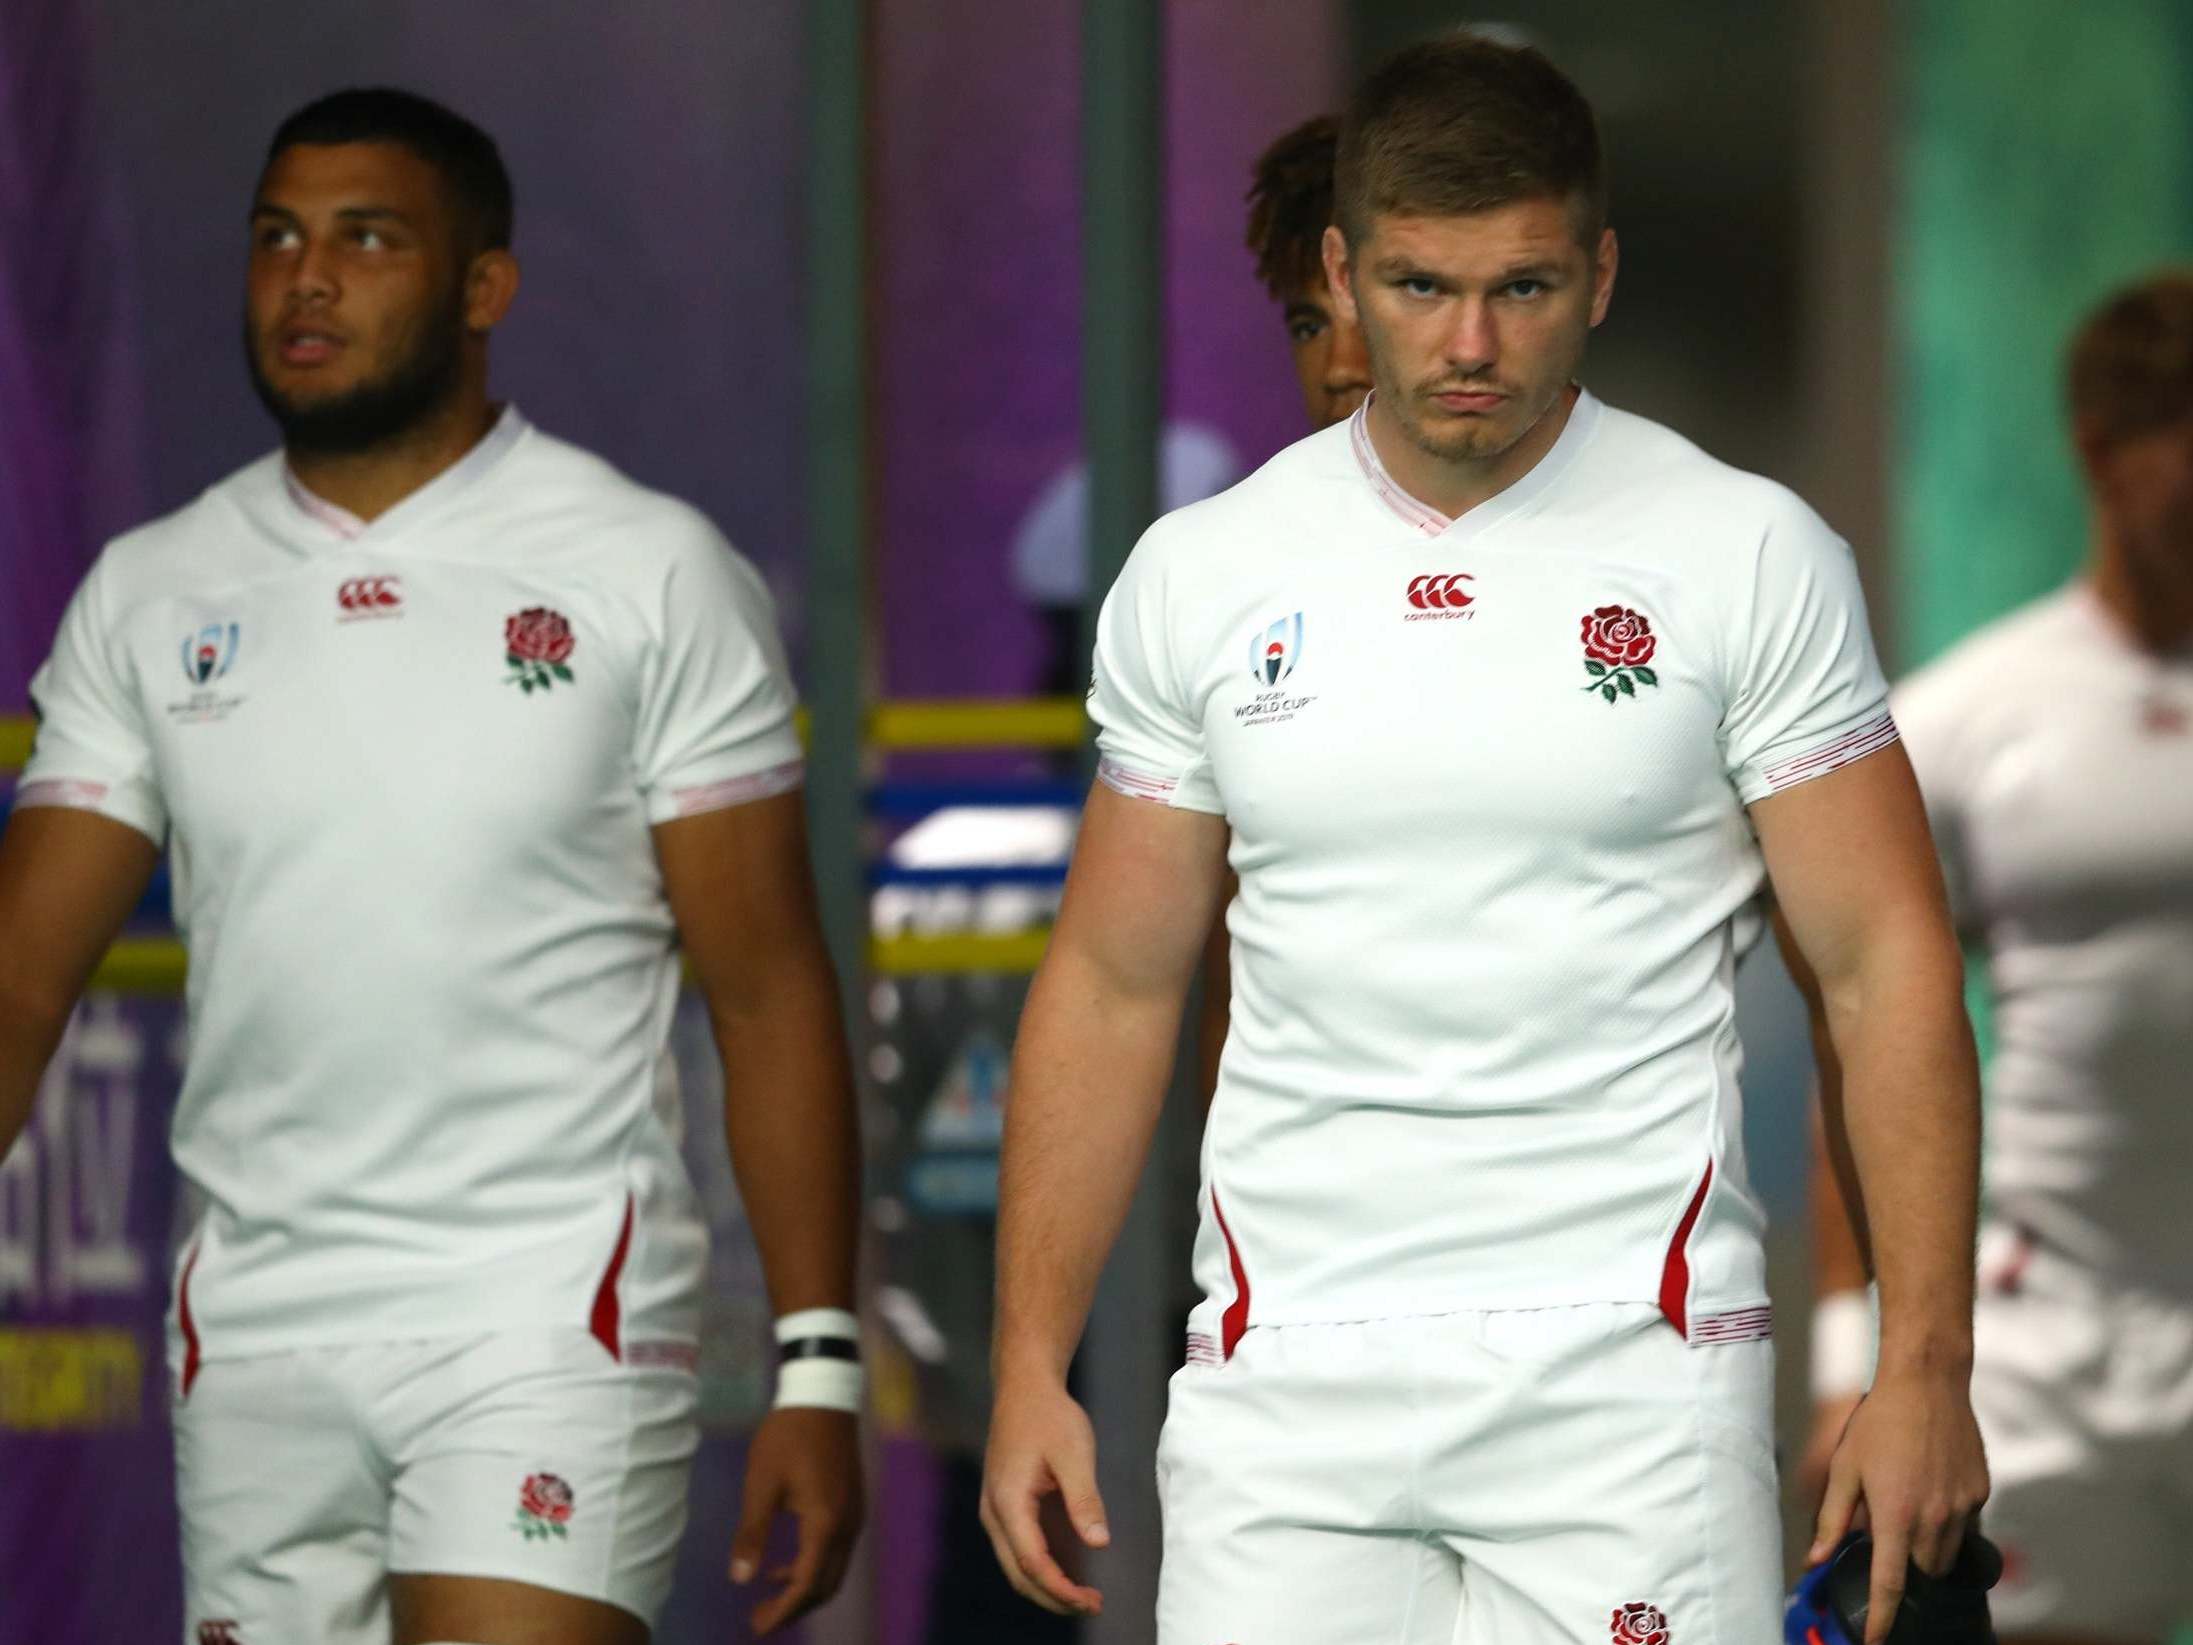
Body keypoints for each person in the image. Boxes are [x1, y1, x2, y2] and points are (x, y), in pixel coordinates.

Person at [980, 33, 1988, 1645]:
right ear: (1340, 270)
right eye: (1417, 285)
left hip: (1629, 1373)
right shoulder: (1202, 573)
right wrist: (1030, 1361)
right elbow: (1110, 978)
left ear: (1597, 273)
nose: (1465, 343)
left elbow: (1883, 966)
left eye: (1518, 288)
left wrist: (1918, 1368)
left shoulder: (1744, 552)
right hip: (1282, 1377)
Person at [0, 89, 863, 1645]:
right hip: (254, 1323)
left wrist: (817, 1359)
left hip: (544, 1308)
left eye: (366, 239)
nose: (306, 280)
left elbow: (768, 985)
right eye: (276, 239)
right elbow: (17, 977)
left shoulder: (645, 569)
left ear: (483, 289)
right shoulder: (148, 590)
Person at [1797, 270, 2193, 1645]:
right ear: (2101, 449)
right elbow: (1867, 1029)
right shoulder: (1967, 718)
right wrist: (1851, 1359)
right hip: (2047, 1338)